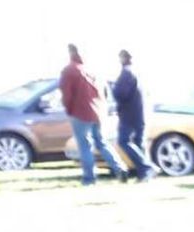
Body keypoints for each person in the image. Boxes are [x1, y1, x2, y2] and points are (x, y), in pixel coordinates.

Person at [59, 45, 125, 186]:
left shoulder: (69, 70)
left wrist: (69, 110)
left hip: (80, 112)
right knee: (101, 142)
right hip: (98, 112)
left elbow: (67, 94)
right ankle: (120, 168)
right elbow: (104, 92)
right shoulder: (93, 70)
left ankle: (89, 178)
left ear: (70, 53)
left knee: (84, 145)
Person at [113, 50, 151, 181]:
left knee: (123, 141)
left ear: (123, 58)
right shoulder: (137, 73)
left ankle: (146, 167)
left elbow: (121, 94)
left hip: (129, 115)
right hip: (140, 113)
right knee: (138, 143)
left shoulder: (126, 74)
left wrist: (114, 89)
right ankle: (144, 174)